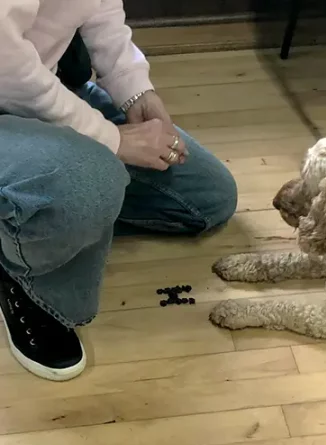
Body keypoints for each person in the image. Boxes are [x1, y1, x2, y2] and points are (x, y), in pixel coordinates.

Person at [0, 0, 237, 381]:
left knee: (208, 198)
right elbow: (6, 66)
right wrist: (111, 139)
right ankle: (25, 276)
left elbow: (98, 6)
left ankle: (30, 214)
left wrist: (135, 88)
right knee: (95, 179)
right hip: (11, 86)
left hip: (42, 90)